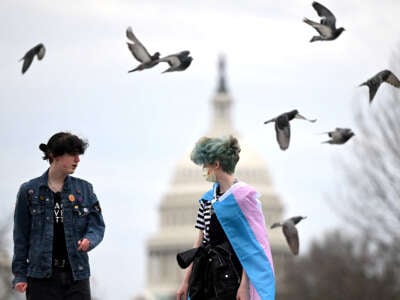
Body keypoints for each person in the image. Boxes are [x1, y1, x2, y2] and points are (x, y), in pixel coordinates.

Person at [176, 135, 275, 300]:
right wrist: (186, 281)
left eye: (205, 165)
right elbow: (199, 244)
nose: (203, 171)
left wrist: (244, 285)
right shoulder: (207, 200)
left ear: (216, 165)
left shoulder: (244, 198)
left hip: (231, 278)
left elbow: (251, 247)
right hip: (206, 278)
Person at [12, 132, 105, 300]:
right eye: (72, 154)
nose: (77, 160)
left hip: (77, 275)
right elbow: (21, 236)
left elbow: (97, 225)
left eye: (79, 154)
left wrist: (89, 239)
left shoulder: (85, 189)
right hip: (40, 278)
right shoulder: (29, 191)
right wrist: (20, 274)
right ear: (54, 156)